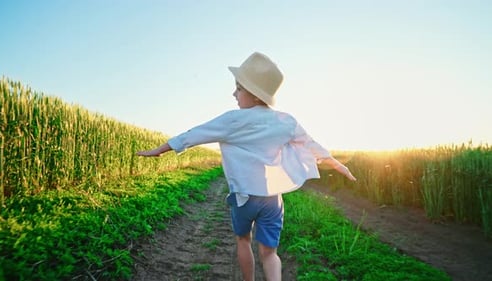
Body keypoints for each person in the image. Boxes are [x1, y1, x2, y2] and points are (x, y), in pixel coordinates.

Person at [136, 52, 357, 281]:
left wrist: (159, 150)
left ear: (253, 95)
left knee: (243, 240)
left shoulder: (233, 119)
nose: (234, 93)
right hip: (272, 200)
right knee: (270, 253)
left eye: (238, 88)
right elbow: (313, 146)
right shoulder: (286, 121)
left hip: (244, 198)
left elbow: (194, 135)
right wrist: (339, 165)